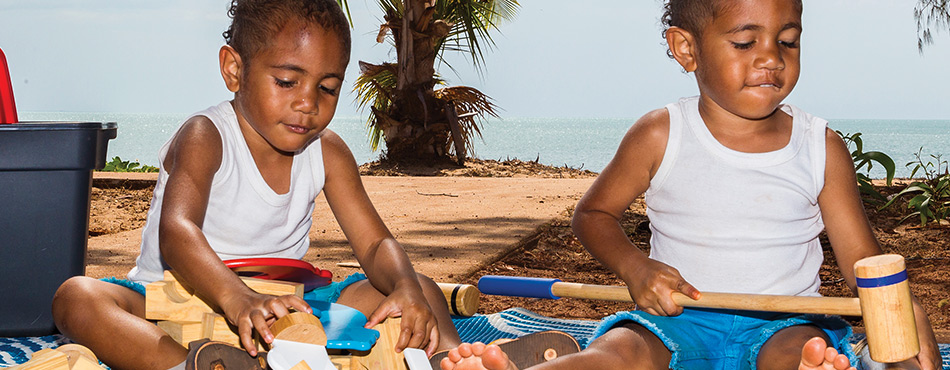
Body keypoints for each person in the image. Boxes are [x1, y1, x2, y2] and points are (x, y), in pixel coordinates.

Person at [439, 0, 942, 369]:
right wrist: (636, 267)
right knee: (620, 353)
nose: (772, 57)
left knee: (798, 357)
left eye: (787, 40)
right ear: (686, 49)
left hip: (785, 325)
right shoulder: (660, 134)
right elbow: (592, 216)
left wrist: (903, 305)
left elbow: (862, 262)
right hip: (675, 319)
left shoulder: (819, 146)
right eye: (745, 43)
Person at [51, 1, 460, 369]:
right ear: (234, 69)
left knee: (421, 288)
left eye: (327, 88)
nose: (308, 103)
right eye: (287, 81)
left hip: (289, 308)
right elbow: (177, 231)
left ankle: (453, 360)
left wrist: (404, 286)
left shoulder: (328, 152)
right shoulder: (205, 135)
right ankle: (185, 366)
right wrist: (237, 297)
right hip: (176, 301)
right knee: (77, 298)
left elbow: (373, 246)